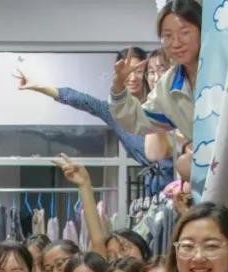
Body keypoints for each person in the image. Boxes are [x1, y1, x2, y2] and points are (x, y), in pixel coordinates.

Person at [14, 48, 174, 195]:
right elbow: (81, 99)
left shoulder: (162, 104)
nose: (132, 77)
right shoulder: (114, 111)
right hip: (157, 188)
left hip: (178, 177)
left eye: (138, 71)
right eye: (127, 72)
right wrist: (37, 86)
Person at [110, 0, 202, 145]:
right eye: (168, 36)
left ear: (202, 31)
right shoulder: (168, 85)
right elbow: (137, 119)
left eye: (184, 32)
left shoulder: (224, 67)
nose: (176, 43)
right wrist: (118, 86)